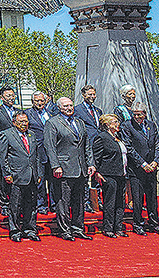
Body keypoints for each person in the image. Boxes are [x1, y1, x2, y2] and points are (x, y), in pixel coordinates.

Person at [45, 96, 95, 241]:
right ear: (59, 108)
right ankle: (65, 230)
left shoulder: (79, 122)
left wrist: (90, 163)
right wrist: (55, 165)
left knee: (79, 201)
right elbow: (50, 146)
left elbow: (86, 144)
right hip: (64, 169)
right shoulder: (53, 123)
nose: (69, 108)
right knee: (63, 201)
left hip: (80, 168)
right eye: (65, 106)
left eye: (71, 105)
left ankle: (78, 228)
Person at [0, 111, 42, 242]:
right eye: (21, 121)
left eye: (26, 121)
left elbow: (36, 155)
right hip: (16, 176)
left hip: (31, 175)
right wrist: (7, 174)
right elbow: (3, 157)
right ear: (14, 122)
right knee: (15, 205)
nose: (24, 124)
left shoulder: (31, 134)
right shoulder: (6, 134)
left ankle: (30, 229)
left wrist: (38, 173)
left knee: (31, 204)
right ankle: (15, 230)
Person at [122, 103, 159, 236]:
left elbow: (157, 145)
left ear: (145, 114)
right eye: (134, 114)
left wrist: (156, 161)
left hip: (152, 168)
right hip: (137, 169)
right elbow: (129, 148)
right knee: (138, 198)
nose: (136, 117)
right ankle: (138, 224)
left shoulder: (151, 125)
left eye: (139, 114)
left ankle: (154, 223)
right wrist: (143, 164)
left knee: (152, 198)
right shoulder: (127, 126)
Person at [93, 114, 128, 238]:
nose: (117, 124)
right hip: (108, 174)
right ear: (107, 124)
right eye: (114, 122)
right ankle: (108, 228)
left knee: (120, 202)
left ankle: (118, 227)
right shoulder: (102, 137)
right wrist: (97, 172)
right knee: (110, 202)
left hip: (121, 173)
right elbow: (96, 156)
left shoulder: (118, 137)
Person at [0, 86, 19, 217]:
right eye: (8, 96)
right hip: (3, 150)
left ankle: (16, 202)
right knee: (3, 177)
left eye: (12, 95)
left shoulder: (18, 112)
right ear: (2, 98)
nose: (11, 98)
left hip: (17, 151)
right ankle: (4, 204)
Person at [26, 91, 57, 214]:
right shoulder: (28, 114)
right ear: (32, 102)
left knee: (54, 181)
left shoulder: (51, 113)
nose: (40, 103)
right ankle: (41, 205)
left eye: (42, 101)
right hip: (38, 152)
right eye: (37, 101)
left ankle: (54, 204)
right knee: (40, 180)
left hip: (52, 152)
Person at [74, 84, 102, 212]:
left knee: (97, 175)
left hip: (98, 146)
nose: (92, 96)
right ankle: (85, 202)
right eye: (89, 94)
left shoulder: (98, 111)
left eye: (94, 94)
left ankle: (97, 200)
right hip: (85, 146)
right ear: (83, 95)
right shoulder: (77, 110)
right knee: (85, 176)